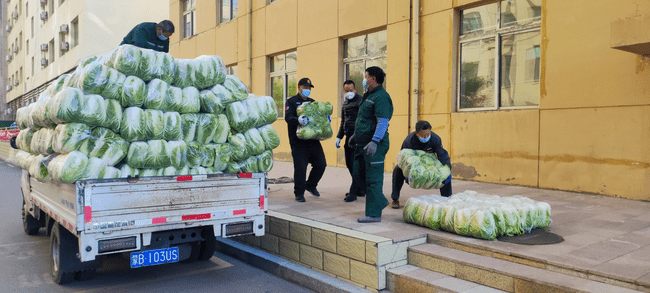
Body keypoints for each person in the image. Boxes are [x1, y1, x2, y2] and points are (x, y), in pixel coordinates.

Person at [351, 67, 393, 223]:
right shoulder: (369, 95)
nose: (364, 79)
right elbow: (364, 119)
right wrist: (356, 135)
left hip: (375, 144)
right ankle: (380, 201)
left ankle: (374, 214)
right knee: (358, 174)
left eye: (366, 76)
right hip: (361, 143)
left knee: (373, 179)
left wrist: (375, 141)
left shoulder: (381, 97)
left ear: (373, 78)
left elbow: (382, 122)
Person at [391, 120, 452, 208]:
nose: (426, 136)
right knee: (398, 169)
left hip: (430, 163)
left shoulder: (435, 139)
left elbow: (442, 155)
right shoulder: (409, 141)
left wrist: (447, 168)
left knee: (445, 173)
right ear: (417, 133)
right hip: (415, 163)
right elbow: (404, 158)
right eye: (423, 135)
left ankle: (447, 199)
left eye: (428, 134)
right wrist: (408, 173)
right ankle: (395, 198)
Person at [285, 78, 328, 202]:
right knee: (301, 167)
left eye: (309, 88)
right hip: (298, 141)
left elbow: (318, 118)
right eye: (305, 87)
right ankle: (299, 193)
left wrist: (326, 119)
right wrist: (297, 120)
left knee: (321, 164)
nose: (307, 90)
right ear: (299, 88)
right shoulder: (291, 102)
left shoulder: (312, 102)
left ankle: (311, 184)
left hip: (313, 140)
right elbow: (288, 117)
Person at [336, 80, 366, 202]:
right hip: (348, 137)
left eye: (351, 90)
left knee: (356, 166)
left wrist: (357, 135)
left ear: (355, 89)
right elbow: (343, 121)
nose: (349, 92)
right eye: (346, 90)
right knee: (349, 164)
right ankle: (360, 188)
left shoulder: (361, 101)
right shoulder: (345, 102)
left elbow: (363, 121)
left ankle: (353, 192)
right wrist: (339, 136)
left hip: (358, 137)